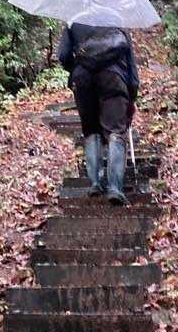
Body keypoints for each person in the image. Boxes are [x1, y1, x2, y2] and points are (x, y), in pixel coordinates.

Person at [57, 21, 139, 205]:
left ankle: (95, 183)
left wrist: (77, 67)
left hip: (82, 78)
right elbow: (132, 69)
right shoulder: (118, 23)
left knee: (91, 130)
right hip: (114, 78)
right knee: (116, 130)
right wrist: (132, 96)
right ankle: (115, 187)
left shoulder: (74, 22)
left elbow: (62, 55)